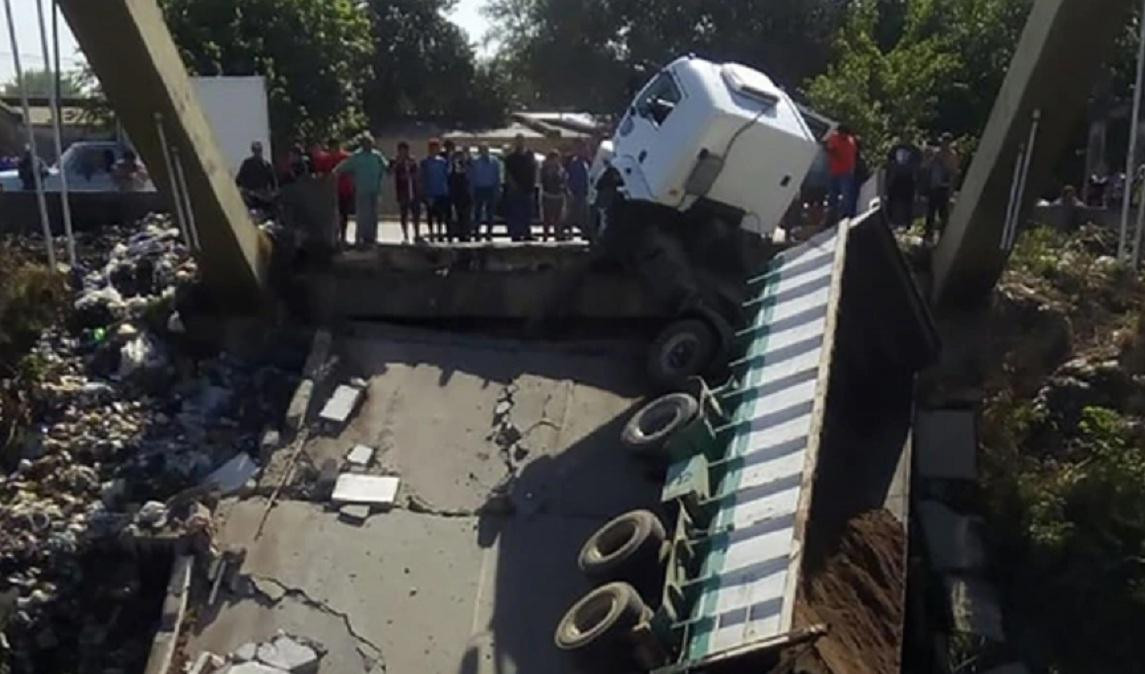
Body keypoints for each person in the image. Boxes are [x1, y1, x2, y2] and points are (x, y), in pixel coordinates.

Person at [334, 134, 388, 249]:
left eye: (370, 143)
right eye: (366, 143)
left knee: (373, 215)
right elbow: (342, 168)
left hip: (375, 190)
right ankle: (360, 237)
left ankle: (372, 238)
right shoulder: (357, 156)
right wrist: (335, 174)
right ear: (362, 144)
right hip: (362, 190)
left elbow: (386, 167)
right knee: (363, 215)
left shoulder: (377, 155)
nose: (368, 145)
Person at [313, 138, 354, 244]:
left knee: (344, 214)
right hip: (330, 191)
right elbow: (319, 174)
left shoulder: (346, 157)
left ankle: (343, 236)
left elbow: (353, 171)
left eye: (335, 147)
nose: (333, 150)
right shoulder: (325, 159)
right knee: (333, 215)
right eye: (331, 148)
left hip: (345, 189)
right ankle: (334, 236)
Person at [925, 132, 960, 241]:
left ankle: (943, 236)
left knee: (943, 213)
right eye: (943, 141)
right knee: (930, 212)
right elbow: (927, 166)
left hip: (944, 187)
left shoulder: (952, 155)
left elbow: (953, 172)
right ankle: (928, 234)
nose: (944, 144)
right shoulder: (936, 153)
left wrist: (951, 189)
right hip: (934, 185)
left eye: (946, 142)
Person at [505, 134, 537, 241]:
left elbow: (534, 170)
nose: (520, 143)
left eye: (522, 141)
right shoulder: (511, 157)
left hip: (528, 189)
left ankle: (527, 233)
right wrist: (513, 185)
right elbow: (508, 174)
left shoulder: (529, 155)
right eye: (518, 141)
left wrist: (533, 185)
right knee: (516, 212)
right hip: (516, 190)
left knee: (527, 213)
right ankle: (516, 234)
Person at [884, 137, 922, 229]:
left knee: (908, 201)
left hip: (909, 178)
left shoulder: (915, 150)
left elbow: (918, 164)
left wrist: (916, 176)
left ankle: (908, 222)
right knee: (892, 199)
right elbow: (889, 162)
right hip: (896, 177)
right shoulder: (895, 149)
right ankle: (890, 221)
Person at [824, 125, 858, 222]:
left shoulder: (850, 141)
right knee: (832, 195)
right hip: (835, 171)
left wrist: (830, 149)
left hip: (846, 172)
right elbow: (830, 148)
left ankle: (846, 215)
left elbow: (835, 152)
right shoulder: (834, 138)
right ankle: (832, 215)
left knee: (846, 195)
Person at [421, 139, 451, 242]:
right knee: (430, 214)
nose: (434, 150)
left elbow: (446, 175)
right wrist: (424, 192)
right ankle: (431, 233)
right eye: (432, 147)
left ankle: (439, 232)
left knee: (440, 214)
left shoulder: (443, 162)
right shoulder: (425, 162)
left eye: (436, 147)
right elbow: (423, 177)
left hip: (441, 191)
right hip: (430, 191)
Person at [392, 141, 421, 243]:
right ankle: (405, 235)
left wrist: (412, 176)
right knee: (404, 214)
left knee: (416, 214)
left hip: (414, 191)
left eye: (405, 150)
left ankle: (417, 234)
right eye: (401, 150)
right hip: (402, 191)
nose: (404, 152)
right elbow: (390, 171)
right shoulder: (396, 161)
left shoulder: (412, 161)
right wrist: (398, 163)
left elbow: (417, 173)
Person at [471, 144, 501, 241]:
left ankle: (489, 233)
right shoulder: (475, 161)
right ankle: (477, 232)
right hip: (479, 189)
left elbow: (497, 176)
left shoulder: (494, 161)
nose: (484, 151)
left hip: (490, 189)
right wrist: (471, 189)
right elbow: (472, 177)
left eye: (485, 149)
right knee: (477, 212)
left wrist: (498, 188)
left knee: (490, 213)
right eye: (482, 150)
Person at [236, 141, 277, 210]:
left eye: (258, 150)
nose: (257, 153)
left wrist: (269, 196)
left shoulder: (267, 166)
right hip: (249, 197)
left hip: (262, 199)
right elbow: (238, 181)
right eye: (255, 150)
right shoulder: (247, 164)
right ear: (253, 151)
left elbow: (274, 185)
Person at [565, 140, 592, 240]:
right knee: (573, 213)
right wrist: (571, 191)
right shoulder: (574, 163)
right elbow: (571, 178)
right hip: (575, 192)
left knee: (583, 214)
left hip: (584, 192)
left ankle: (584, 232)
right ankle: (568, 231)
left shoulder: (586, 163)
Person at [540, 151, 567, 241]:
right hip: (548, 195)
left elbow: (564, 180)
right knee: (547, 217)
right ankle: (545, 234)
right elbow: (543, 181)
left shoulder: (561, 169)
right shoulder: (545, 169)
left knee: (558, 217)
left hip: (558, 196)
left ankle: (557, 234)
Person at [448, 148, 473, 242]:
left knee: (467, 216)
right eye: (457, 156)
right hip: (456, 195)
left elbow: (470, 177)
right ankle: (459, 234)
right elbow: (450, 180)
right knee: (458, 216)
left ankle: (467, 234)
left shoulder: (468, 166)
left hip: (467, 195)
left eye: (461, 156)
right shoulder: (452, 169)